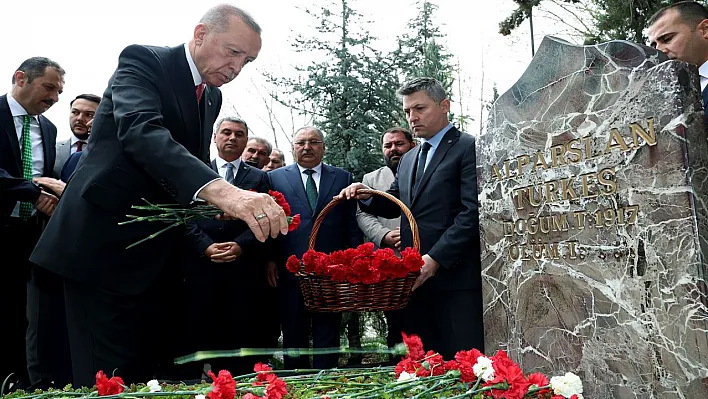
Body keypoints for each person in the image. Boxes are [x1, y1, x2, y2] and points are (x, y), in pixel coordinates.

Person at [28, 5, 288, 388]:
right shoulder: (144, 61)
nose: (237, 68)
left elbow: (180, 168)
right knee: (101, 378)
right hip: (101, 247)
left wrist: (208, 207)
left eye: (247, 60)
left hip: (153, 261)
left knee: (141, 374)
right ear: (200, 34)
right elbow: (142, 133)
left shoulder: (210, 97)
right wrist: (225, 192)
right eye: (233, 52)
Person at [339, 77, 483, 359]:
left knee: (462, 363)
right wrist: (364, 194)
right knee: (423, 364)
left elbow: (472, 213)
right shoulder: (410, 157)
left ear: (444, 106)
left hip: (454, 279)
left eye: (419, 108)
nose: (412, 117)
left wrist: (436, 259)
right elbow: (395, 204)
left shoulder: (468, 147)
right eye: (407, 111)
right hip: (414, 279)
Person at [179, 116, 274, 377]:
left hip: (242, 269)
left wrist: (241, 245)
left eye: (239, 134)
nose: (232, 138)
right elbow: (182, 217)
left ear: (245, 141)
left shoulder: (258, 178)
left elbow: (265, 216)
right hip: (201, 267)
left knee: (239, 334)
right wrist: (205, 246)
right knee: (197, 330)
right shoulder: (195, 171)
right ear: (215, 137)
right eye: (227, 132)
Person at [268, 126, 363, 369]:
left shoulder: (342, 178)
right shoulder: (275, 178)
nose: (307, 147)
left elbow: (351, 223)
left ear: (323, 147)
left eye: (313, 142)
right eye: (301, 142)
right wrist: (270, 260)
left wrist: (352, 262)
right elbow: (267, 225)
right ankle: (295, 383)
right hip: (290, 269)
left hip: (330, 271)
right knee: (292, 330)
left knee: (328, 330)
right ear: (293, 148)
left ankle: (325, 383)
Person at [0, 56, 63, 389]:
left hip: (27, 236)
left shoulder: (48, 129)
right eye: (49, 87)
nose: (54, 99)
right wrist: (30, 191)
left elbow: (45, 177)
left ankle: (15, 383)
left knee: (21, 313)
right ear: (20, 78)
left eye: (59, 93)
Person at [355, 126, 415, 358]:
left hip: (424, 258)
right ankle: (397, 368)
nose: (393, 150)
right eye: (387, 146)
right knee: (396, 324)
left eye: (399, 144)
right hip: (389, 261)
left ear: (411, 145)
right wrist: (383, 235)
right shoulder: (371, 179)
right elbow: (362, 214)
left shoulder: (424, 171)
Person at [648, 1, 708, 118]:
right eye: (654, 45)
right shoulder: (663, 95)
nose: (659, 51)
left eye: (667, 39)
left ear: (705, 30)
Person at [52, 94, 101, 178]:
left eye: (89, 114)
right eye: (75, 112)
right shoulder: (52, 149)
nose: (79, 118)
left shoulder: (106, 152)